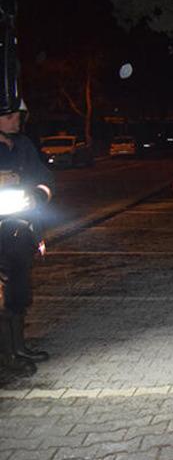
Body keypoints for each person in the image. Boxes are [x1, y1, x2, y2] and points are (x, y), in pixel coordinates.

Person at [0, 98, 53, 377]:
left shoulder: (24, 146)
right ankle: (7, 356)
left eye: (17, 115)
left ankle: (19, 347)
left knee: (18, 291)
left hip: (20, 229)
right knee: (2, 295)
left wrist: (38, 193)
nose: (16, 120)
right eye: (8, 116)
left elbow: (45, 178)